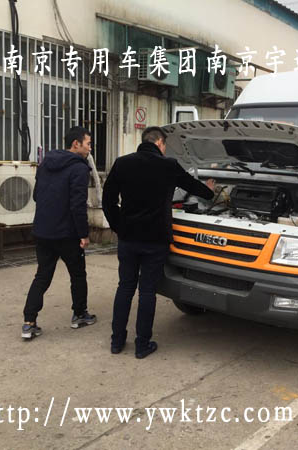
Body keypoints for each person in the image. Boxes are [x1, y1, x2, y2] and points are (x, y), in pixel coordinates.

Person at [102, 126, 215, 359]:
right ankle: (142, 345)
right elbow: (192, 186)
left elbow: (108, 200)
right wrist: (210, 191)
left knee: (125, 287)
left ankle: (117, 341)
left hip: (128, 239)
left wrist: (119, 226)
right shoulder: (168, 165)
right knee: (147, 291)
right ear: (160, 143)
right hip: (155, 241)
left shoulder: (122, 163)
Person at [22, 126, 97, 339]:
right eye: (88, 143)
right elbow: (77, 205)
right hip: (67, 234)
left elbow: (37, 195)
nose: (90, 148)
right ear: (76, 144)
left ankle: (29, 322)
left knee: (42, 275)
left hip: (43, 230)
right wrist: (83, 234)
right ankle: (79, 314)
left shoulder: (46, 163)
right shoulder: (79, 168)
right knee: (78, 274)